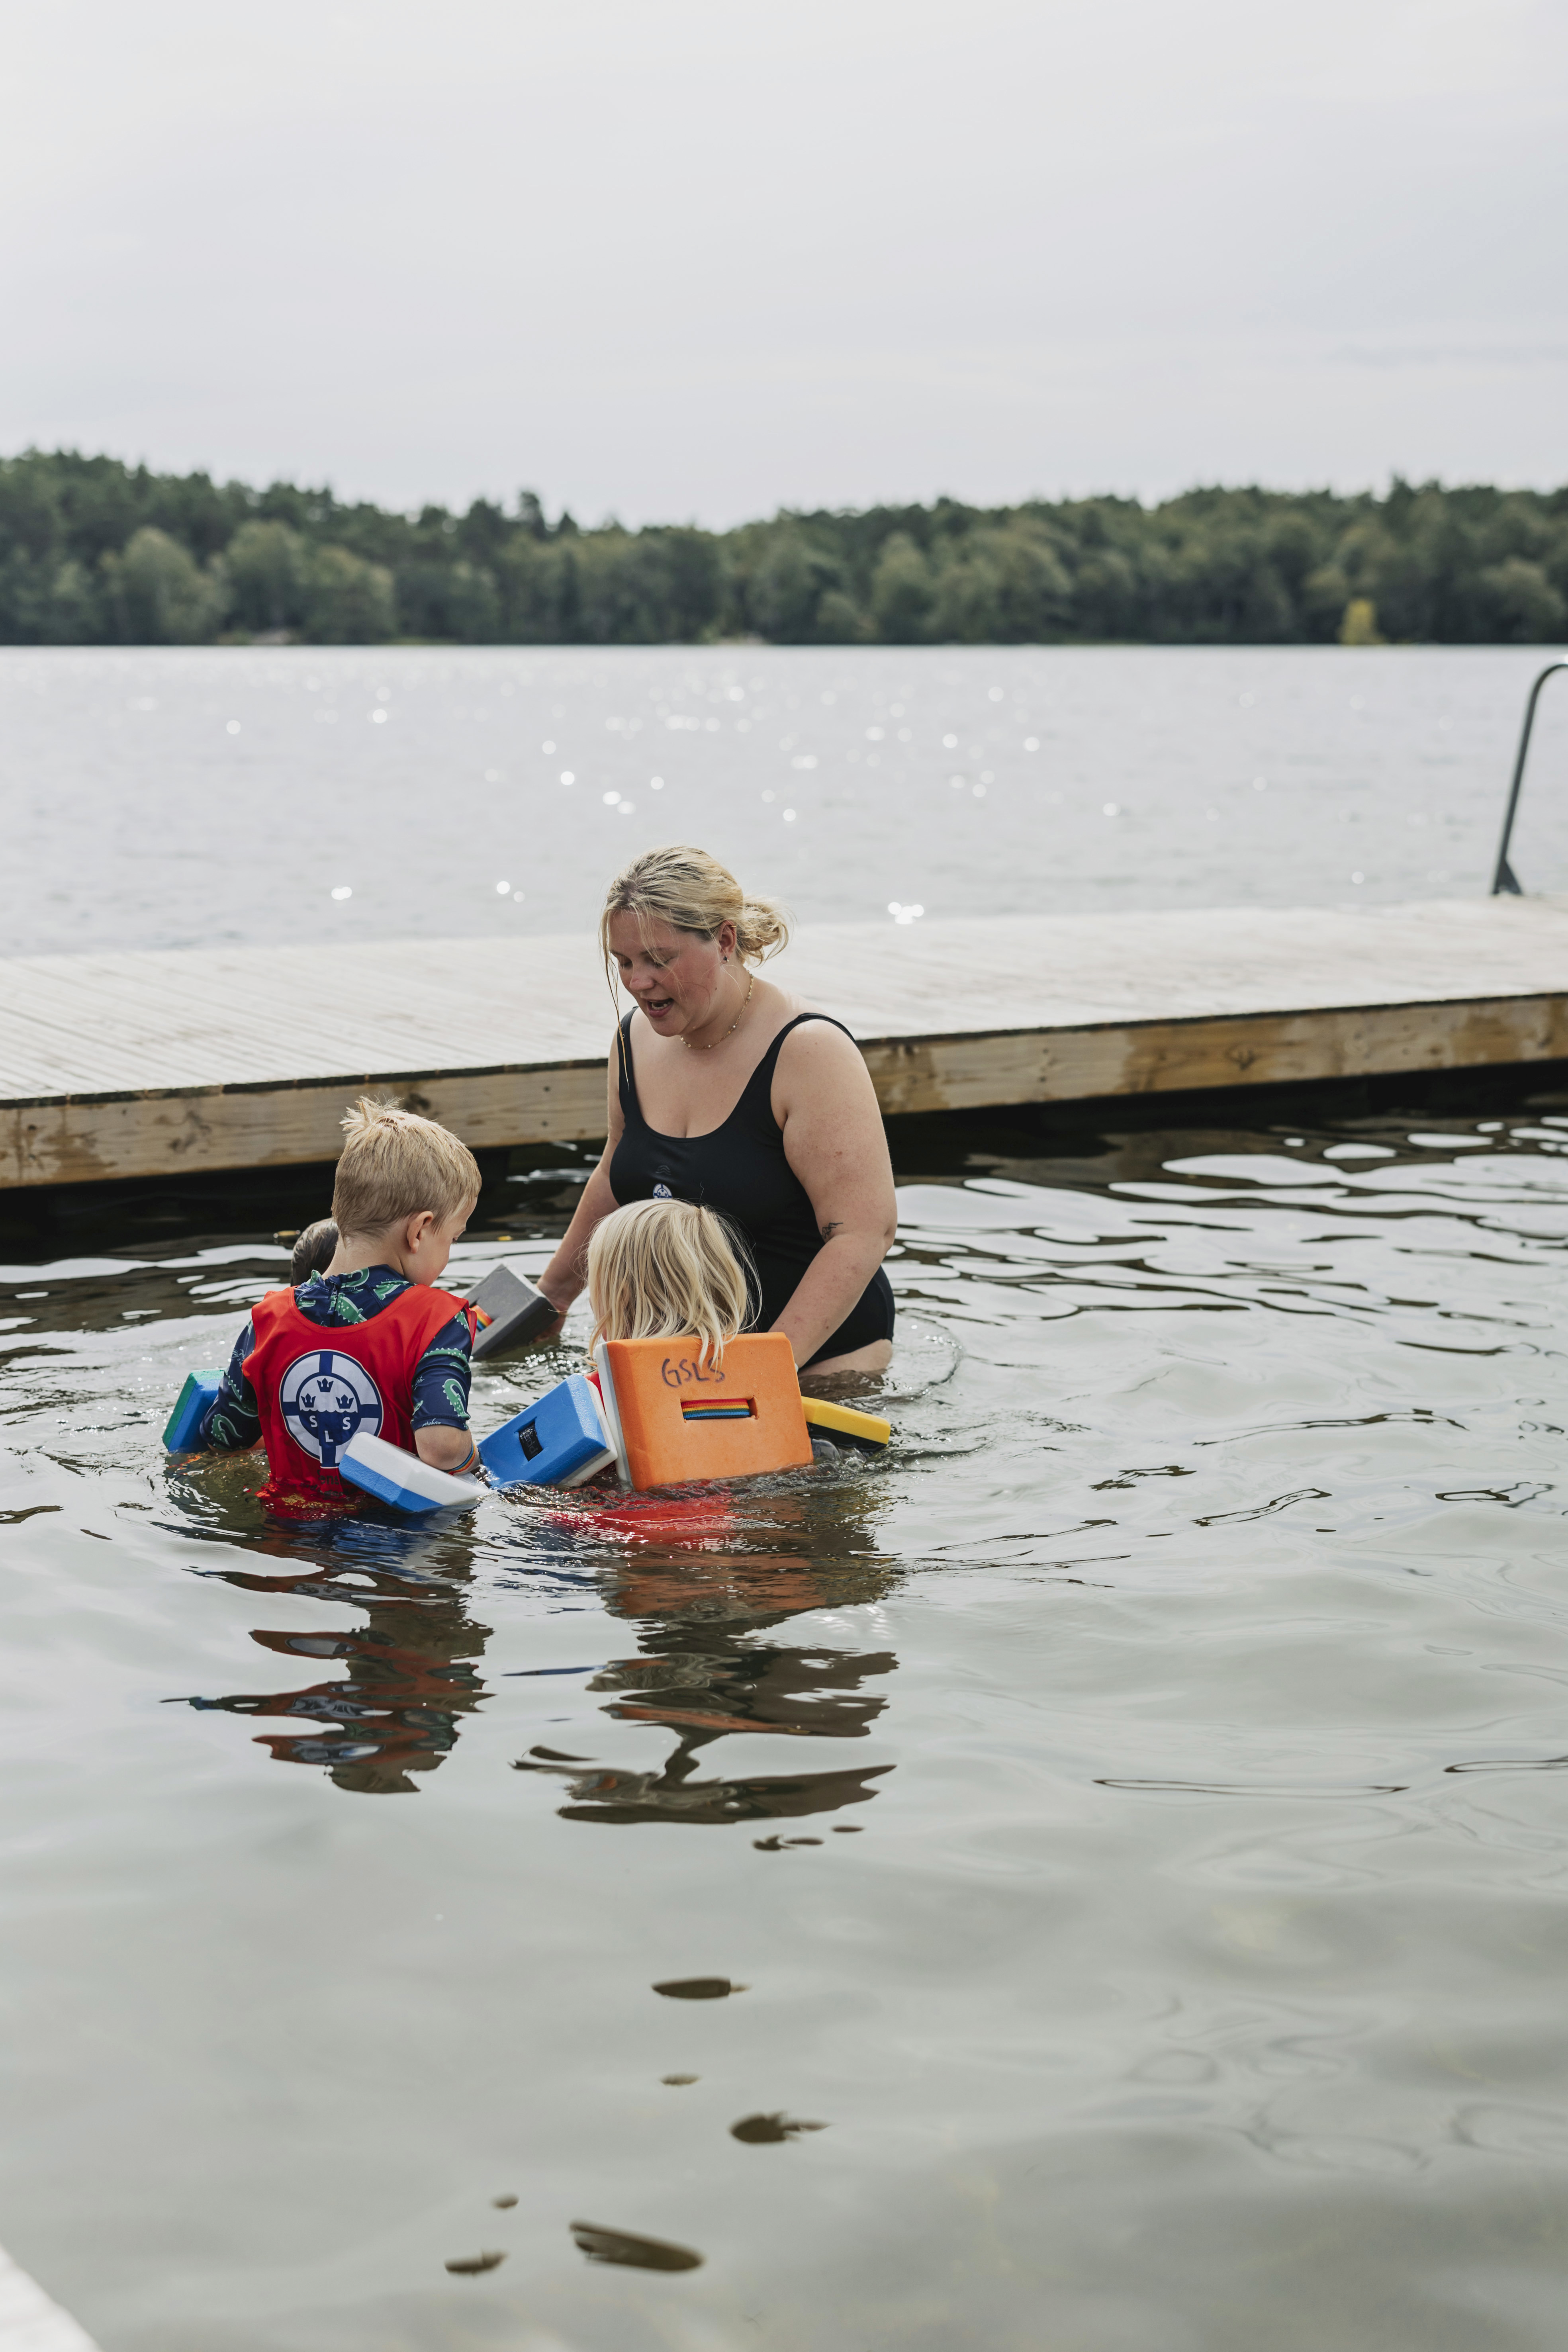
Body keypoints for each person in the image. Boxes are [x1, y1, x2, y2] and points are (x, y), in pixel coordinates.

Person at [537, 847, 897, 1374]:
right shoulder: (633, 1038)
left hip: (816, 1362)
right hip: (684, 1361)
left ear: (724, 940)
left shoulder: (809, 1050)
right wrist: (552, 1296)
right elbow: (617, 1172)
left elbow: (865, 1232)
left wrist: (765, 1371)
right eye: (625, 962)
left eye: (659, 960)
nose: (638, 982)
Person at [204, 1098, 482, 1516]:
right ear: (421, 1230)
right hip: (397, 1547)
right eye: (453, 1238)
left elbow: (224, 1436)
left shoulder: (268, 1320)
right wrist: (475, 1460)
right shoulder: (438, 1320)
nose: (449, 1254)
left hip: (290, 1538)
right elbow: (441, 1448)